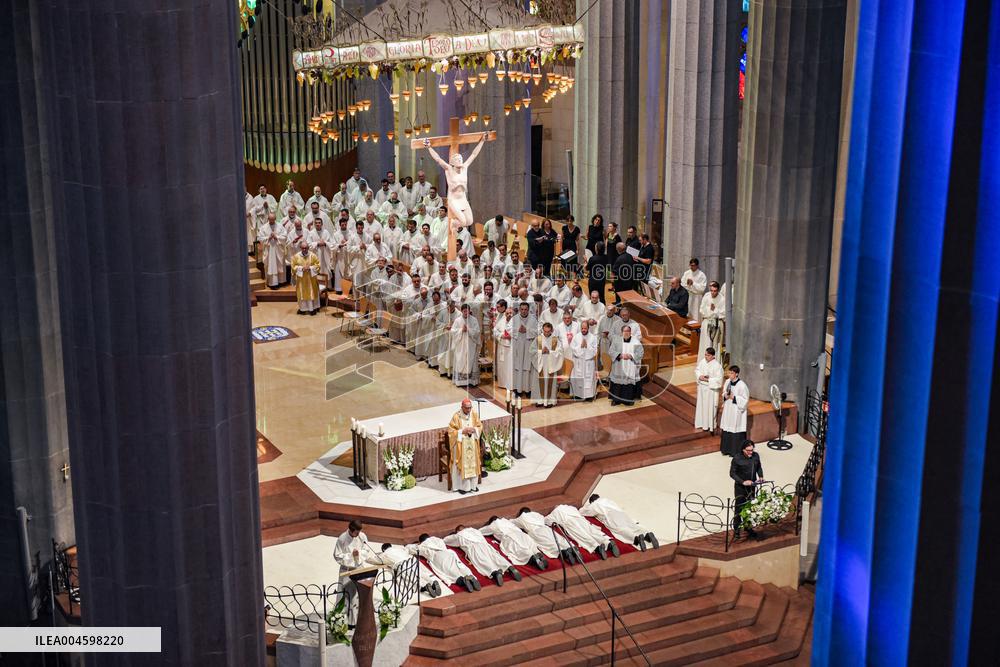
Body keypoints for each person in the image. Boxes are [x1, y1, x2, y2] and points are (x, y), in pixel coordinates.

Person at [421, 132, 490, 239]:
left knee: (470, 221)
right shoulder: (449, 169)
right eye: (458, 159)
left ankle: (455, 225)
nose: (461, 160)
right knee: (462, 220)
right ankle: (453, 224)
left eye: (461, 159)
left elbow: (474, 154)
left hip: (463, 199)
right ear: (453, 162)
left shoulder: (465, 167)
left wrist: (482, 141)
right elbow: (438, 159)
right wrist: (429, 147)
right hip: (453, 200)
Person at [444, 525, 521, 587]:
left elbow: (446, 540)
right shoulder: (475, 530)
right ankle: (509, 567)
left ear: (458, 531)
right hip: (486, 546)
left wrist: (454, 534)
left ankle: (495, 573)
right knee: (496, 558)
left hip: (474, 548)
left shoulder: (459, 535)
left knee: (483, 562)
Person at [581, 494, 659, 551]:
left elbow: (583, 512)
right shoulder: (607, 500)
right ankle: (647, 534)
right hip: (622, 513)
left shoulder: (595, 504)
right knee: (632, 526)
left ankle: (636, 538)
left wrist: (586, 507)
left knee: (620, 529)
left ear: (592, 501)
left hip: (611, 516)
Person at [368, 543, 443, 599]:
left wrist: (368, 558)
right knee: (420, 573)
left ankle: (423, 587)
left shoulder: (384, 554)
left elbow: (375, 560)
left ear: (383, 550)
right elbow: (406, 550)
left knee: (409, 580)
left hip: (402, 565)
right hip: (411, 561)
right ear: (391, 546)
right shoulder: (399, 549)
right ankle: (431, 582)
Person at [545, 504, 620, 560]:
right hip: (581, 519)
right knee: (592, 531)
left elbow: (547, 521)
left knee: (583, 536)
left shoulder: (555, 513)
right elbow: (579, 511)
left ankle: (596, 547)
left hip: (570, 523)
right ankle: (608, 542)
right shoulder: (569, 507)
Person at [414, 533, 481, 593]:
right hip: (448, 554)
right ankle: (469, 575)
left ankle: (463, 580)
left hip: (438, 558)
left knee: (452, 574)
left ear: (421, 541)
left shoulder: (422, 546)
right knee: (459, 566)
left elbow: (413, 550)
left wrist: (418, 545)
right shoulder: (437, 539)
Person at [514, 508, 582, 564]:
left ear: (521, 513)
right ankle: (571, 547)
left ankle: (564, 552)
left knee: (549, 543)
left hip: (536, 533)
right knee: (558, 539)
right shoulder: (537, 514)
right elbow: (544, 519)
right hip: (546, 529)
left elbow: (512, 523)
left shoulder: (521, 518)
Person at [334, 520, 370, 627]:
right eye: (356, 533)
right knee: (347, 595)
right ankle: (345, 621)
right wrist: (351, 556)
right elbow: (337, 555)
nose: (358, 535)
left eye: (359, 532)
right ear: (351, 530)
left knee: (359, 594)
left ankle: (360, 618)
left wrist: (359, 554)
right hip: (347, 570)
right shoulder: (342, 539)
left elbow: (366, 549)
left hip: (359, 568)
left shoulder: (362, 536)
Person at [482, 516, 549, 570]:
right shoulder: (506, 521)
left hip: (510, 538)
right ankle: (537, 553)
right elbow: (514, 521)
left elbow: (481, 531)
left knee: (520, 549)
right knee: (530, 545)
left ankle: (532, 557)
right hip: (521, 534)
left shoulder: (492, 525)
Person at [447, 399, 482, 494]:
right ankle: (461, 487)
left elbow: (479, 426)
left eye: (470, 407)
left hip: (472, 444)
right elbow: (450, 431)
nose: (469, 410)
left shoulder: (474, 414)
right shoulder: (456, 416)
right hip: (460, 445)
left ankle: (473, 486)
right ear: (462, 407)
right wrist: (462, 431)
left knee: (473, 463)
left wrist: (474, 429)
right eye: (467, 408)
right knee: (460, 463)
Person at [730, 440, 764, 539]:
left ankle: (748, 527)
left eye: (752, 450)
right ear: (743, 449)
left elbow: (759, 467)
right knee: (739, 508)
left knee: (750, 507)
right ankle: (736, 530)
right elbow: (732, 473)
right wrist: (743, 482)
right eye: (748, 450)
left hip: (752, 487)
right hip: (740, 488)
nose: (751, 452)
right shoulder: (737, 458)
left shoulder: (755, 456)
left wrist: (761, 476)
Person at [608, 325, 643, 406]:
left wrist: (631, 356)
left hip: (630, 366)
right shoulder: (616, 340)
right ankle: (615, 400)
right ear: (621, 332)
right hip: (619, 366)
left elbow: (640, 352)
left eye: (628, 331)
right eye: (625, 331)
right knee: (617, 383)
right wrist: (619, 355)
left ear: (630, 332)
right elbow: (611, 351)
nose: (626, 333)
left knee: (628, 384)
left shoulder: (636, 342)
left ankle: (628, 400)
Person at [719, 365, 749, 456]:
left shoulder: (742, 385)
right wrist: (725, 395)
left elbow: (745, 400)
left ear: (736, 374)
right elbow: (724, 392)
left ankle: (735, 452)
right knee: (727, 428)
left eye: (731, 373)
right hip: (728, 409)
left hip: (736, 411)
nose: (729, 374)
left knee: (735, 429)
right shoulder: (727, 381)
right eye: (729, 372)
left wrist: (734, 397)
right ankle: (726, 450)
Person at [510, 301, 537, 396]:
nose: (524, 311)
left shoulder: (533, 320)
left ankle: (528, 389)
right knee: (518, 367)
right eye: (522, 309)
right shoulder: (514, 319)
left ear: (528, 310)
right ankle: (518, 389)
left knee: (527, 368)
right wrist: (517, 330)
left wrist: (527, 330)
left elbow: (537, 332)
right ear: (519, 309)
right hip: (518, 347)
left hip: (528, 347)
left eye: (526, 309)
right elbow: (508, 330)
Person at [450, 304, 481, 387]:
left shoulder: (474, 320)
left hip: (471, 344)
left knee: (471, 360)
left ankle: (471, 381)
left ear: (469, 311)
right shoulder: (457, 320)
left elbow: (477, 331)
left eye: (467, 311)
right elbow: (453, 331)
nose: (466, 313)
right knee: (461, 360)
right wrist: (461, 330)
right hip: (461, 345)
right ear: (461, 311)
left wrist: (469, 330)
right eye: (464, 311)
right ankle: (460, 382)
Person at [533, 322, 562, 407]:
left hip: (551, 365)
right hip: (541, 364)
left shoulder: (555, 340)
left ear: (551, 331)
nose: (546, 333)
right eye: (545, 331)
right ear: (542, 330)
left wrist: (550, 352)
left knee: (550, 382)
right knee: (540, 382)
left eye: (548, 331)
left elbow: (560, 352)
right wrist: (541, 351)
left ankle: (549, 401)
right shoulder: (538, 339)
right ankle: (540, 400)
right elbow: (531, 351)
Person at [695, 347, 724, 431]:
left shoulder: (717, 366)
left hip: (710, 390)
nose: (706, 357)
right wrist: (700, 376)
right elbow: (697, 370)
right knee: (701, 407)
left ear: (712, 356)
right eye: (705, 355)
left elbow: (719, 380)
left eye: (708, 355)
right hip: (702, 389)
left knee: (709, 408)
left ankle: (709, 425)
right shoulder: (703, 362)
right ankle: (700, 423)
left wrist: (708, 379)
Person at [570, 320, 599, 400]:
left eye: (585, 328)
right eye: (582, 328)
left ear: (588, 328)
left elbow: (595, 350)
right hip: (579, 362)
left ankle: (589, 396)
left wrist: (587, 346)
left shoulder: (593, 337)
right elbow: (572, 348)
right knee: (578, 377)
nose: (583, 330)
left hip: (588, 362)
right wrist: (580, 347)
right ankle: (578, 395)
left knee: (589, 379)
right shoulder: (576, 337)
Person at [291, 242, 321, 315]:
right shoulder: (296, 256)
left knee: (311, 293)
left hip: (311, 279)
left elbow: (318, 265)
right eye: (303, 248)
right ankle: (303, 309)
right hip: (301, 280)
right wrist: (301, 268)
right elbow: (293, 266)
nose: (304, 249)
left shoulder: (313, 256)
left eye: (306, 248)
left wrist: (310, 268)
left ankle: (312, 309)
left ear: (308, 248)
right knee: (302, 294)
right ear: (300, 248)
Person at [258, 214, 286, 288]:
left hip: (278, 249)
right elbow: (260, 238)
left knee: (278, 265)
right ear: (268, 219)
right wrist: (268, 237)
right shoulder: (263, 228)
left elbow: (285, 236)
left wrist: (277, 237)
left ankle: (280, 281)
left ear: (275, 218)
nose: (271, 221)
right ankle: (271, 283)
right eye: (270, 219)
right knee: (270, 265)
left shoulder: (280, 226)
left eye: (273, 220)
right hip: (269, 250)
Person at [699, 281, 726, 356]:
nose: (713, 293)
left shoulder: (722, 299)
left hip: (717, 324)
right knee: (705, 343)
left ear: (718, 290)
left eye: (715, 291)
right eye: (711, 291)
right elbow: (701, 310)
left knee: (715, 345)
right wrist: (710, 310)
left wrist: (714, 310)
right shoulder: (706, 296)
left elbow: (723, 314)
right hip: (706, 322)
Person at [493, 301, 513, 389]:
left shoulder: (515, 321)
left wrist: (511, 336)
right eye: (507, 313)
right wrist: (501, 335)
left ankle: (510, 384)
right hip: (502, 346)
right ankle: (502, 383)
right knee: (502, 366)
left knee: (510, 366)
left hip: (511, 347)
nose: (509, 315)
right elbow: (495, 331)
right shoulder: (501, 320)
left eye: (510, 313)